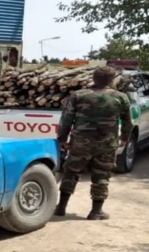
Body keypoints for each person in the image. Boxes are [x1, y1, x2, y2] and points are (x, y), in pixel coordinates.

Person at [54, 66, 133, 221]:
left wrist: (62, 139)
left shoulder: (78, 95)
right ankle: (96, 212)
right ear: (111, 80)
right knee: (102, 175)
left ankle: (61, 207)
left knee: (71, 173)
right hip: (107, 143)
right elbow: (127, 121)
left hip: (80, 143)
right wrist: (125, 137)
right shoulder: (120, 97)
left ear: (94, 78)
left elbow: (66, 119)